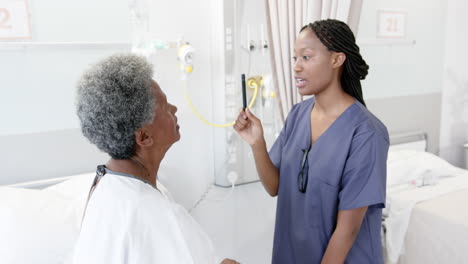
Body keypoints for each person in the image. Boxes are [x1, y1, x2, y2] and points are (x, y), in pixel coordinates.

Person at [234, 19, 389, 263]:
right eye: (294, 58)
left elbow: (347, 231)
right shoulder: (297, 115)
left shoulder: (366, 133)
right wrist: (257, 143)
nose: (296, 67)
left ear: (336, 60)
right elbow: (275, 186)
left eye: (306, 57)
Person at [70, 53, 238, 264]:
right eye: (165, 106)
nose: (174, 109)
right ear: (144, 137)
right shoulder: (157, 214)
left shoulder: (104, 184)